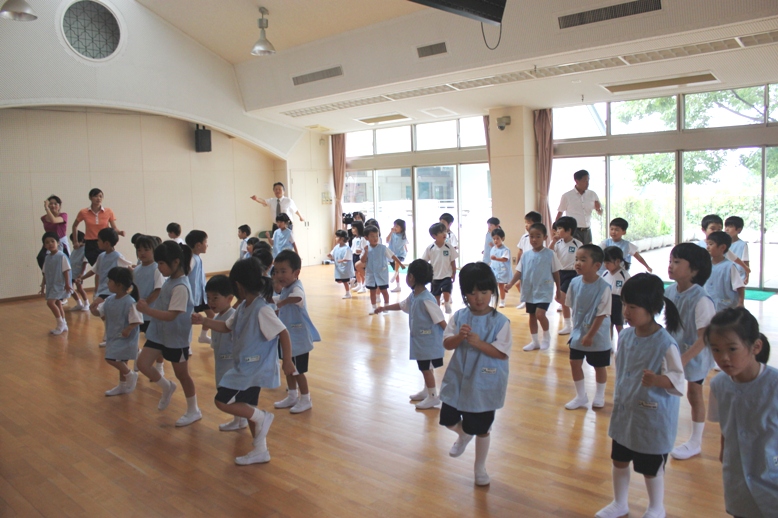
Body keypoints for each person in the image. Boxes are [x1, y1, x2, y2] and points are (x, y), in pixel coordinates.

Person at [595, 274, 684, 518]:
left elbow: (678, 380)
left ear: (652, 308)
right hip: (625, 412)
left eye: (633, 307)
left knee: (650, 468)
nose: (626, 311)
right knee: (619, 460)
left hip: (652, 418)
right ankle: (619, 503)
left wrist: (657, 380)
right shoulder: (625, 336)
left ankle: (656, 507)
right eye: (625, 304)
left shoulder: (665, 343)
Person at [192, 258, 295, 465]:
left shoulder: (261, 309)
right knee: (249, 409)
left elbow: (283, 332)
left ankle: (263, 418)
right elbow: (226, 327)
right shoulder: (243, 307)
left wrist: (287, 361)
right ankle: (260, 450)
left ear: (238, 285)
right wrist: (205, 321)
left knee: (222, 400)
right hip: (246, 366)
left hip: (252, 369)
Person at [439, 262, 512, 486]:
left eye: (484, 291)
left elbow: (502, 354)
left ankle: (480, 468)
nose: (478, 298)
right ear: (464, 294)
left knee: (481, 429)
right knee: (448, 419)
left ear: (492, 291)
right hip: (458, 378)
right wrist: (459, 337)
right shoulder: (459, 317)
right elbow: (447, 343)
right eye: (471, 293)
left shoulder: (500, 322)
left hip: (484, 382)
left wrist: (479, 343)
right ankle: (463, 434)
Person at [707, 307, 777, 518]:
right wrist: (724, 452)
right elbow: (725, 425)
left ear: (756, 346)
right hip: (737, 478)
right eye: (716, 350)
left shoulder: (774, 385)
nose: (724, 358)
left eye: (732, 349)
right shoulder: (719, 385)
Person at [136, 241, 200, 427]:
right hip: (159, 335)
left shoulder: (181, 287)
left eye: (162, 263)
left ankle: (193, 410)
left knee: (183, 375)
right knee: (142, 363)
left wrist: (147, 310)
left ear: (176, 262)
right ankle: (167, 386)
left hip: (176, 339)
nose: (159, 267)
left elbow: (172, 316)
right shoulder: (170, 281)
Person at [664, 243, 714, 460]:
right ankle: (664, 428)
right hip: (674, 351)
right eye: (670, 261)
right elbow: (668, 324)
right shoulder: (669, 291)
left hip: (694, 355)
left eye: (677, 262)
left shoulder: (701, 299)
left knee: (694, 393)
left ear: (694, 270)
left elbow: (705, 337)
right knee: (667, 389)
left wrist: (683, 358)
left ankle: (695, 441)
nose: (670, 266)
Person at [376, 260, 447, 409]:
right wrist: (384, 308)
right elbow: (402, 305)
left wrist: (450, 336)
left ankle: (433, 396)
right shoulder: (414, 295)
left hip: (429, 342)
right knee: (425, 367)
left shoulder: (426, 299)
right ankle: (427, 390)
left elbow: (440, 319)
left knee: (426, 368)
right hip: (421, 341)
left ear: (411, 277)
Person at [564, 244, 612, 410]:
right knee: (574, 362)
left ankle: (599, 394)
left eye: (583, 260)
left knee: (599, 366)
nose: (578, 263)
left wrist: (590, 335)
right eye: (576, 259)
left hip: (597, 334)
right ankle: (581, 396)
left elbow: (601, 314)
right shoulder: (574, 282)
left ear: (596, 265)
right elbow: (572, 305)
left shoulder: (604, 287)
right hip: (578, 332)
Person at [272, 250, 321, 414]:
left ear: (296, 272)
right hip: (287, 339)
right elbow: (279, 299)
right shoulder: (286, 288)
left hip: (298, 340)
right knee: (288, 369)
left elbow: (298, 298)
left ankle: (306, 399)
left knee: (298, 371)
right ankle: (292, 395)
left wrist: (282, 303)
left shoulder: (297, 287)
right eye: (276, 271)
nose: (279, 275)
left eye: (283, 271)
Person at [506, 223, 562, 351]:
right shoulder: (526, 255)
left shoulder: (550, 254)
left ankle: (546, 337)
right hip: (530, 290)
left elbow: (556, 273)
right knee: (532, 315)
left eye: (538, 236)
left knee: (540, 314)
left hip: (544, 290)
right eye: (531, 236)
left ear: (545, 237)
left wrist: (558, 290)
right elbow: (519, 272)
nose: (534, 239)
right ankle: (535, 341)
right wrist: (510, 284)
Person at [201, 275, 245, 432]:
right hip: (220, 362)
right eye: (208, 298)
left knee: (229, 394)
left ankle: (244, 418)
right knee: (225, 391)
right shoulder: (217, 316)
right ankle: (239, 420)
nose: (211, 302)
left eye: (215, 298)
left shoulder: (233, 316)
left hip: (231, 364)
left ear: (229, 298)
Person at [77, 228, 133, 346]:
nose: (97, 242)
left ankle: (111, 337)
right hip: (103, 289)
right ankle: (110, 336)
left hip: (111, 291)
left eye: (99, 240)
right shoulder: (101, 256)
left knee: (97, 308)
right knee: (105, 314)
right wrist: (82, 278)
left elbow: (128, 268)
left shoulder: (117, 256)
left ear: (106, 243)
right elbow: (94, 270)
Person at [94, 267, 142, 397]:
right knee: (122, 360)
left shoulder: (130, 302)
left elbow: (137, 320)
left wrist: (128, 329)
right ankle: (122, 385)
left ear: (119, 285)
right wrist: (93, 309)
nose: (107, 283)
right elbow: (100, 313)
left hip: (126, 338)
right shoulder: (110, 300)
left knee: (111, 358)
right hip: (114, 335)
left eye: (110, 281)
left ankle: (130, 374)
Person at [132, 235, 165, 375]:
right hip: (138, 312)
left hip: (152, 314)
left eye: (146, 249)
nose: (142, 253)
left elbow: (158, 290)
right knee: (133, 337)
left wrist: (146, 304)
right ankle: (137, 358)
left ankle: (159, 366)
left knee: (156, 341)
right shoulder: (136, 270)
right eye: (139, 250)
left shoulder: (157, 269)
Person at [71, 188, 125, 266]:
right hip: (90, 243)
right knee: (96, 266)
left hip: (105, 242)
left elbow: (114, 228)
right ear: (90, 197)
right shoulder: (83, 212)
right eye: (96, 196)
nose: (98, 198)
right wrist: (75, 241)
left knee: (106, 264)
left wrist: (120, 232)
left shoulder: (108, 211)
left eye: (100, 196)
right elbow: (75, 225)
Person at [362, 225, 405, 315]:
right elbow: (362, 260)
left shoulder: (383, 248)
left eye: (376, 236)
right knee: (372, 292)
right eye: (372, 236)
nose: (375, 238)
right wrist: (365, 252)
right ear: (366, 238)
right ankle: (374, 307)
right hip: (371, 274)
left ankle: (386, 307)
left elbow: (393, 256)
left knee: (384, 291)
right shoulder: (366, 249)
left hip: (382, 273)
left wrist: (400, 264)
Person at [551, 216, 582, 335]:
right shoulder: (557, 243)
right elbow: (548, 253)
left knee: (560, 298)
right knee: (564, 300)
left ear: (569, 230)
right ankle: (569, 324)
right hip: (560, 273)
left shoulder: (577, 244)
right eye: (557, 228)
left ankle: (571, 323)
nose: (557, 231)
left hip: (572, 274)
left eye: (560, 228)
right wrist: (553, 241)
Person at [696, 214, 750, 282]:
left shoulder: (721, 246)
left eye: (719, 229)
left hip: (720, 278)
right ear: (704, 230)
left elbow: (734, 257)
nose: (716, 231)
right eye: (713, 229)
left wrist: (745, 268)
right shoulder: (699, 246)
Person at [555, 170, 603, 245]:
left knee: (588, 251)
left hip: (587, 231)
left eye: (588, 180)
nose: (587, 183)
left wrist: (598, 209)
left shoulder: (592, 194)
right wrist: (556, 229)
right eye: (585, 180)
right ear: (577, 181)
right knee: (575, 251)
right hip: (574, 231)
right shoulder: (567, 196)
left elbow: (600, 213)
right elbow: (560, 213)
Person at [422, 223, 459, 314]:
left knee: (446, 291)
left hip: (447, 275)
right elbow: (424, 261)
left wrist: (454, 272)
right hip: (435, 277)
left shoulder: (449, 247)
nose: (444, 234)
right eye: (441, 232)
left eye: (445, 231)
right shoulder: (430, 248)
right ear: (434, 236)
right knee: (436, 295)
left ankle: (447, 304)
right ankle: (437, 311)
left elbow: (453, 261)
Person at [185, 230, 214, 345]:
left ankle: (203, 336)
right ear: (198, 245)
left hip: (202, 294)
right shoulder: (192, 259)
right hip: (192, 296)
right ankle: (186, 344)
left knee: (211, 314)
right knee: (188, 320)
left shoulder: (197, 257)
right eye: (205, 242)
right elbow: (185, 274)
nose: (207, 245)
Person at [704, 231, 745, 312]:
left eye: (711, 244)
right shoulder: (706, 265)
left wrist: (741, 302)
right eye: (707, 244)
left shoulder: (729, 266)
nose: (707, 247)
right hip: (709, 306)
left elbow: (739, 286)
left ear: (722, 247)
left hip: (726, 308)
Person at [39, 232, 71, 335]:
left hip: (59, 285)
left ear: (58, 243)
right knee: (58, 303)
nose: (50, 244)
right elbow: (45, 273)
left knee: (50, 303)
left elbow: (66, 271)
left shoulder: (61, 256)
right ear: (44, 246)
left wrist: (67, 284)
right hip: (51, 285)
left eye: (52, 241)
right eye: (47, 242)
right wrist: (43, 285)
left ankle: (60, 324)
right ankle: (64, 324)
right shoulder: (47, 258)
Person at [513, 211, 542, 309]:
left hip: (535, 265)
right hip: (524, 265)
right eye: (525, 222)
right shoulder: (524, 237)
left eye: (529, 222)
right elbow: (520, 251)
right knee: (519, 284)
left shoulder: (540, 237)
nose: (526, 225)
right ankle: (526, 300)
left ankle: (533, 302)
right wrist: (518, 263)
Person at [601, 246, 630, 337]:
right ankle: (609, 343)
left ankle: (622, 342)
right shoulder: (605, 274)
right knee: (608, 324)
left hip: (619, 303)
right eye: (604, 262)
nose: (605, 265)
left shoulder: (624, 275)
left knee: (619, 325)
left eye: (608, 263)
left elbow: (628, 291)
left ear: (617, 261)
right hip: (606, 302)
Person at [37, 195, 70, 269]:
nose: (53, 205)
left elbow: (54, 220)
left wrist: (47, 208)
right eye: (51, 204)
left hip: (60, 241)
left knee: (63, 262)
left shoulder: (63, 215)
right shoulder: (44, 218)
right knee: (41, 257)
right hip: (49, 241)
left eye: (55, 204)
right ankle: (47, 273)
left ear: (59, 206)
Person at [329, 229, 355, 299]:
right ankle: (350, 280)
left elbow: (348, 257)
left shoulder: (347, 248)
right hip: (338, 268)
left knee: (344, 281)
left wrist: (342, 260)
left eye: (337, 237)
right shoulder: (336, 247)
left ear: (342, 238)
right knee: (339, 280)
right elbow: (333, 253)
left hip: (344, 268)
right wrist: (330, 255)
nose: (336, 238)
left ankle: (348, 293)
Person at [68, 231, 90, 312]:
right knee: (70, 288)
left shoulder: (85, 249)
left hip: (78, 272)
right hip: (71, 272)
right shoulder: (75, 250)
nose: (74, 243)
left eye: (75, 241)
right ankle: (79, 303)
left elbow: (85, 262)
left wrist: (81, 273)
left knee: (80, 288)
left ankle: (87, 303)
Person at [488, 228, 511, 308]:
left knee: (501, 286)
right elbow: (492, 260)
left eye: (497, 238)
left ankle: (502, 301)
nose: (495, 240)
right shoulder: (493, 249)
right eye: (494, 238)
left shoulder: (506, 249)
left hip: (502, 271)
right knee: (493, 285)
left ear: (502, 238)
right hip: (494, 270)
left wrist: (496, 258)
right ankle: (494, 299)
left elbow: (505, 259)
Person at [723, 216, 749, 283]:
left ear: (739, 230)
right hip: (724, 275)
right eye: (726, 226)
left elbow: (746, 261)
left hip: (739, 277)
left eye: (730, 227)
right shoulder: (721, 243)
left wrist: (747, 276)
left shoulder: (742, 245)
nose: (727, 229)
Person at [387, 219, 409, 293]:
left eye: (397, 226)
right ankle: (398, 286)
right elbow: (387, 240)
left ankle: (395, 274)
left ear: (401, 228)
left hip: (400, 254)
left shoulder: (403, 236)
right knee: (396, 268)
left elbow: (404, 244)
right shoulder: (392, 234)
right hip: (392, 255)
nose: (395, 228)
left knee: (397, 262)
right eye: (394, 226)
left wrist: (406, 250)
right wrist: (391, 232)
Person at [350, 221, 367, 293]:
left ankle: (363, 286)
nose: (352, 230)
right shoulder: (354, 239)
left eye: (354, 228)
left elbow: (365, 249)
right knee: (356, 272)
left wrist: (361, 251)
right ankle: (359, 284)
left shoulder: (362, 238)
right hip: (354, 256)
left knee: (360, 272)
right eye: (352, 228)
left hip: (360, 256)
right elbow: (352, 248)